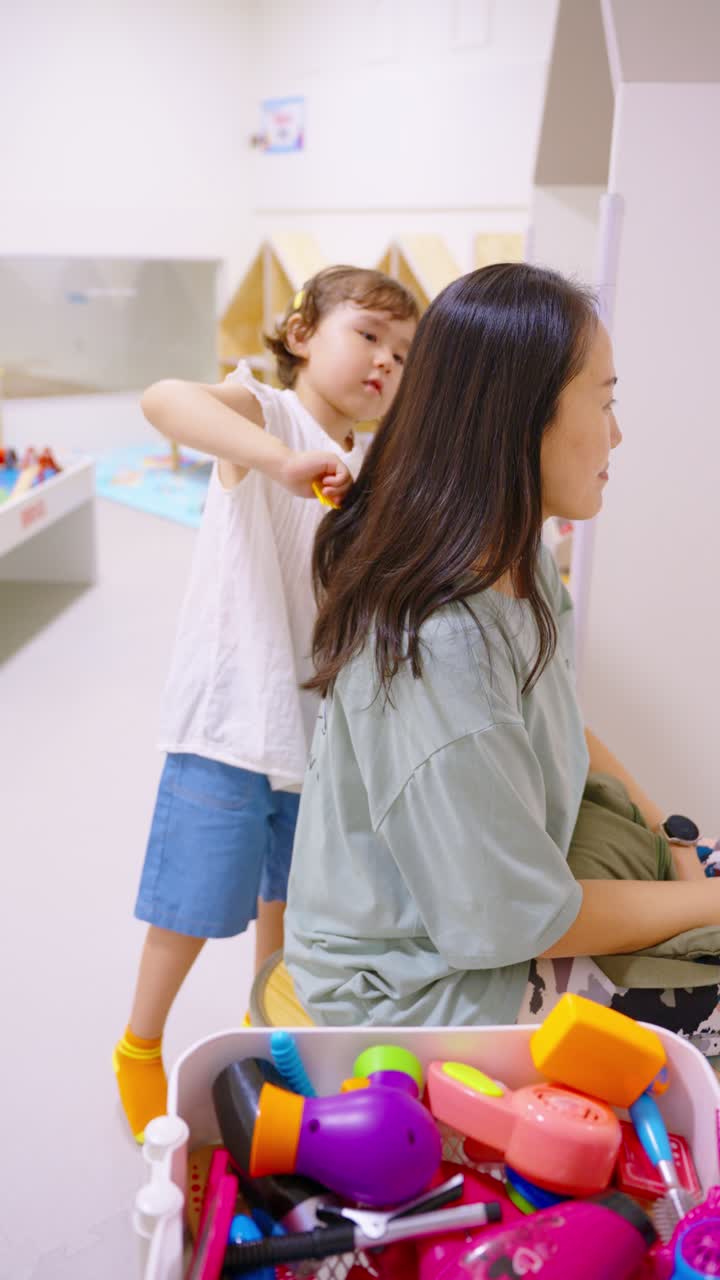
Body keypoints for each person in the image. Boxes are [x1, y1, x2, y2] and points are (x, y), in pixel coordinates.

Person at [284, 263, 720, 1053]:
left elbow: (557, 719)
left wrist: (678, 838)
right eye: (607, 400)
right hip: (421, 992)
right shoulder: (445, 646)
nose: (617, 434)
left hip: (502, 904)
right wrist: (707, 901)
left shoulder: (514, 552)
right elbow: (518, 919)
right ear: (522, 416)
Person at [114, 266, 419, 1140]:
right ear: (298, 335)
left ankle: (266, 1036)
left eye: (401, 355)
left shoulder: (369, 468)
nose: (384, 363)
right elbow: (165, 399)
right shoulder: (265, 415)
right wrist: (281, 460)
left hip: (314, 732)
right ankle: (140, 1045)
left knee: (291, 906)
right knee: (192, 905)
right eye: (367, 335)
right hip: (231, 718)